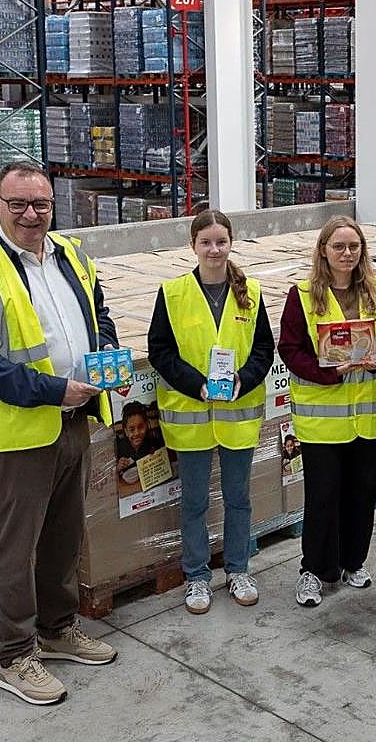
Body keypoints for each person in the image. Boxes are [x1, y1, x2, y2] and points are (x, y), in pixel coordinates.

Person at [0, 160, 118, 706]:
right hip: (19, 434)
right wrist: (51, 391)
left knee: (64, 537)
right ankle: (15, 656)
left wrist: (105, 356)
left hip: (75, 420)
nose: (31, 214)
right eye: (18, 204)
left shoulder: (72, 255)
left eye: (40, 203)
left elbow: (98, 316)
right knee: (16, 551)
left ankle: (58, 629)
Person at [147, 209, 275, 615]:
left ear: (231, 243)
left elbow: (263, 350)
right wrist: (195, 384)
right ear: (193, 246)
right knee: (195, 502)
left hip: (237, 415)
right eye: (206, 243)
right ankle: (197, 577)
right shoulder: (173, 293)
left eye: (221, 242)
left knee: (239, 499)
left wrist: (243, 379)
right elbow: (160, 351)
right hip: (192, 414)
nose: (214, 249)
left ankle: (238, 570)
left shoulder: (250, 292)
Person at [278, 216, 376, 608]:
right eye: (339, 247)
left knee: (362, 492)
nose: (347, 254)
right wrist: (325, 373)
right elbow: (290, 350)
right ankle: (315, 570)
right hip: (321, 418)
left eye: (354, 247)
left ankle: (352, 562)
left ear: (362, 251)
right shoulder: (304, 294)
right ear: (323, 251)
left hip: (366, 415)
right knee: (323, 496)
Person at [116, 400, 164, 470]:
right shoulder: (119, 448)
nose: (137, 433)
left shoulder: (154, 444)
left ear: (146, 425)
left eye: (141, 427)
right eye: (132, 429)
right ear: (126, 431)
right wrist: (118, 468)